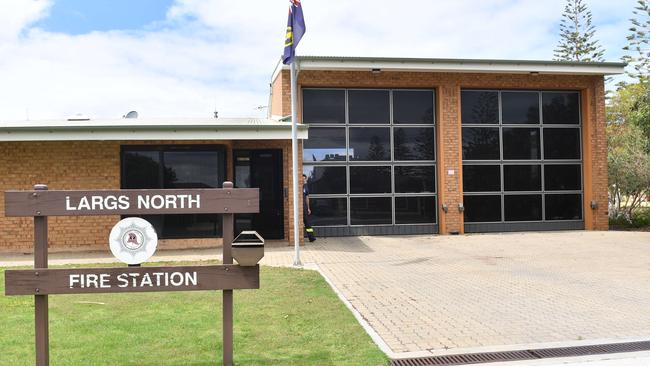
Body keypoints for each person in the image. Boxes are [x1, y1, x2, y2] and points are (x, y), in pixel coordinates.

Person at [302, 174, 316, 242]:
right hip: (298, 207)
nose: (303, 180)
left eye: (304, 179)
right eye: (302, 179)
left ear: (306, 179)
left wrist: (308, 208)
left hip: (304, 207)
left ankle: (311, 237)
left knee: (307, 222)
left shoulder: (306, 187)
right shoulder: (297, 186)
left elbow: (307, 198)